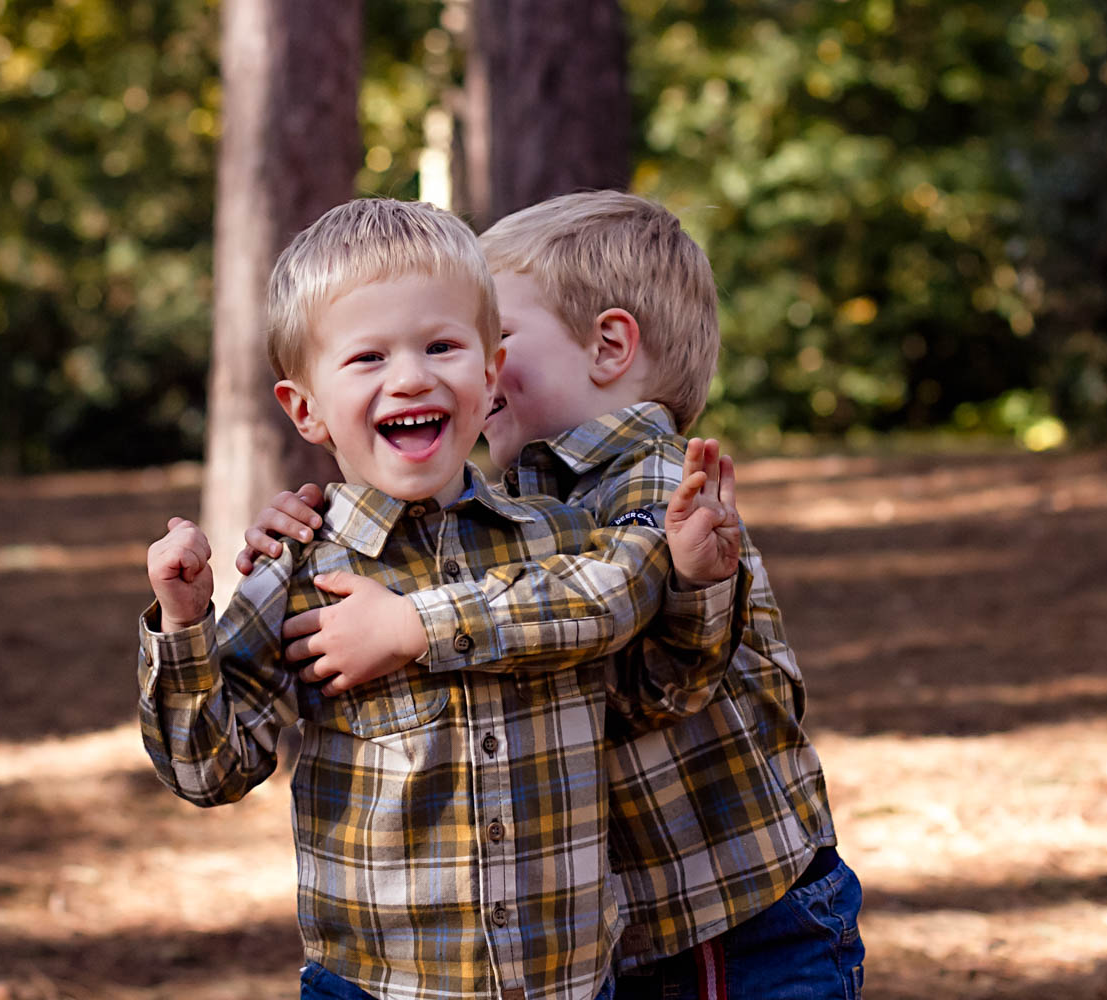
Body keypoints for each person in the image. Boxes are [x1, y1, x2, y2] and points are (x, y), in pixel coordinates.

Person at [239, 191, 864, 1000]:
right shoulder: (531, 507)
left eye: (488, 336)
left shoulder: (664, 482)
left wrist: (411, 621)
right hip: (630, 927)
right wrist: (312, 526)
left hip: (733, 914)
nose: (460, 368)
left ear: (608, 346)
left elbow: (606, 604)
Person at [137, 197, 717, 1000]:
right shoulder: (297, 569)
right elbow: (210, 770)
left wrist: (695, 584)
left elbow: (657, 695)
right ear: (304, 409)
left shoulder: (559, 538)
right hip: (385, 986)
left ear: (487, 375)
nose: (410, 376)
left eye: (441, 346)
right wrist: (185, 621)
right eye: (367, 358)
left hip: (571, 981)